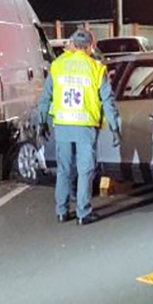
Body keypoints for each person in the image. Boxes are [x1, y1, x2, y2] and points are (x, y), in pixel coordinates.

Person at [39, 29, 121, 226]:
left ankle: (61, 211)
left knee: (64, 169)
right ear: (91, 46)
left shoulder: (57, 66)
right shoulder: (96, 68)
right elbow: (107, 101)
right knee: (85, 170)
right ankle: (83, 213)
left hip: (63, 125)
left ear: (74, 45)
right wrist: (114, 127)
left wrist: (42, 122)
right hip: (85, 127)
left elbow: (45, 97)